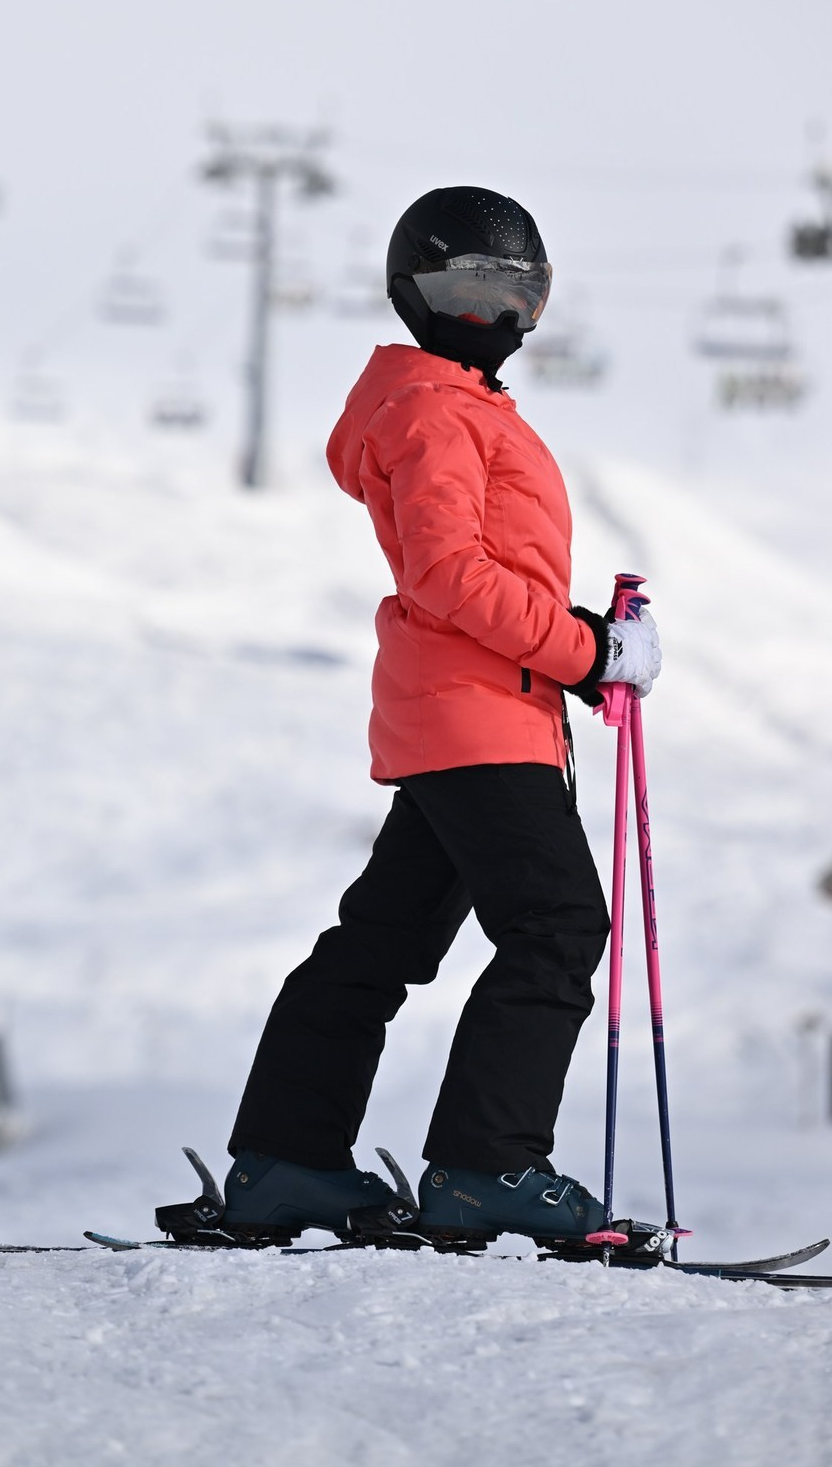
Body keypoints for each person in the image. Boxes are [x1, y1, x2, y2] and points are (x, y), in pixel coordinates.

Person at [213, 186, 661, 1247]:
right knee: (556, 926)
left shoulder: (453, 407)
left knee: (381, 940)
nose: (492, 315)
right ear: (411, 293)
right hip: (475, 718)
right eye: (466, 289)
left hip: (471, 715)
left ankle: (287, 1161)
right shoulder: (433, 411)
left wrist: (583, 644)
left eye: (516, 294)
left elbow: (478, 574)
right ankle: (485, 1165)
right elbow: (449, 574)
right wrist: (587, 649)